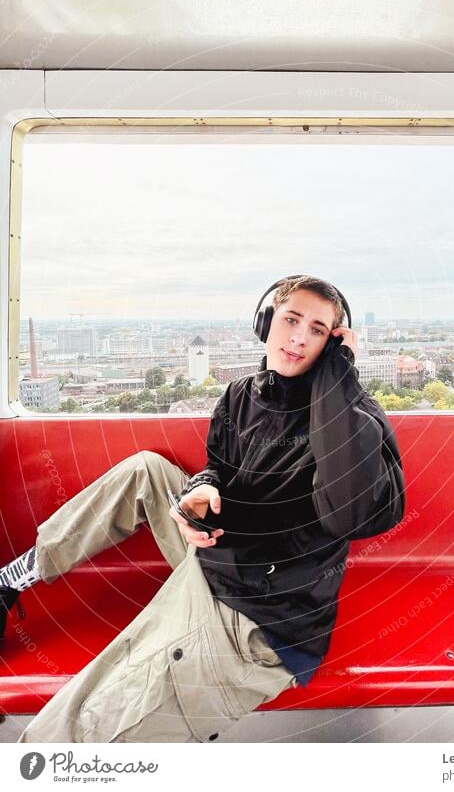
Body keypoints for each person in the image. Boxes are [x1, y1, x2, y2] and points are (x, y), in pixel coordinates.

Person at [0, 274, 405, 742]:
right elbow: (218, 466)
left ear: (334, 344)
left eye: (317, 330)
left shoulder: (354, 418)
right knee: (147, 469)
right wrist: (201, 492)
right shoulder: (241, 396)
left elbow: (351, 515)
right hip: (219, 553)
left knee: (63, 741)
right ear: (265, 323)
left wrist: (338, 376)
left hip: (254, 618)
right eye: (291, 319)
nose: (298, 336)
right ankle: (11, 580)